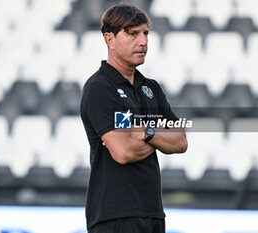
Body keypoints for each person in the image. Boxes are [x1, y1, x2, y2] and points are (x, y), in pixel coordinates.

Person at [80, 3, 188, 233]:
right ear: (109, 39)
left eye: (145, 33)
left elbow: (180, 141)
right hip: (115, 215)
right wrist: (159, 137)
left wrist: (146, 133)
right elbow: (124, 152)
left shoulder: (151, 88)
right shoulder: (100, 88)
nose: (143, 42)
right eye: (132, 34)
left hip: (152, 213)